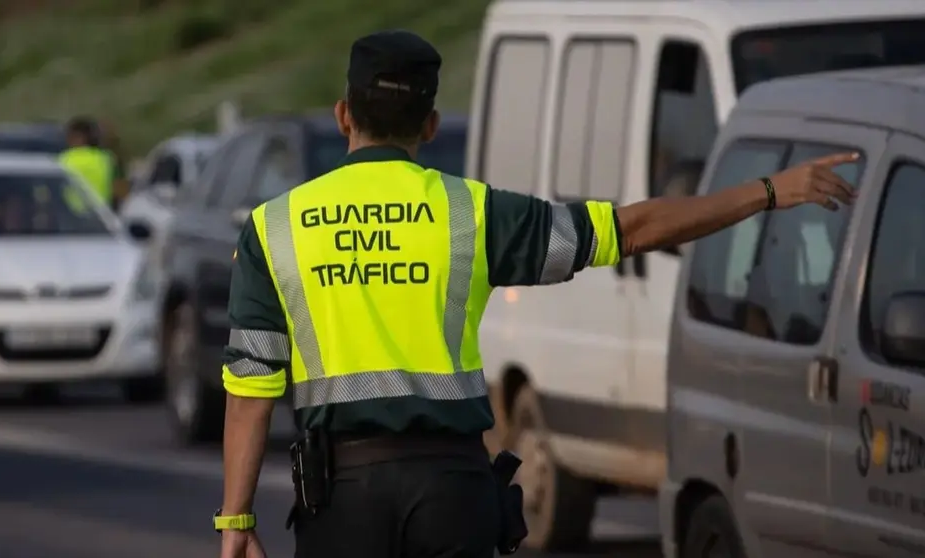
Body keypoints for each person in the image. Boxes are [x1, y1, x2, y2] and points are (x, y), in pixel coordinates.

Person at [216, 30, 856, 558]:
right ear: (432, 124)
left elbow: (250, 394)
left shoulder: (276, 230)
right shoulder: (474, 215)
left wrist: (236, 521)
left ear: (343, 114)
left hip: (342, 501)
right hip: (453, 494)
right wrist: (770, 191)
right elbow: (632, 229)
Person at [58, 116, 114, 207]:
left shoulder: (65, 159)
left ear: (79, 137)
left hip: (71, 213)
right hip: (100, 213)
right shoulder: (105, 159)